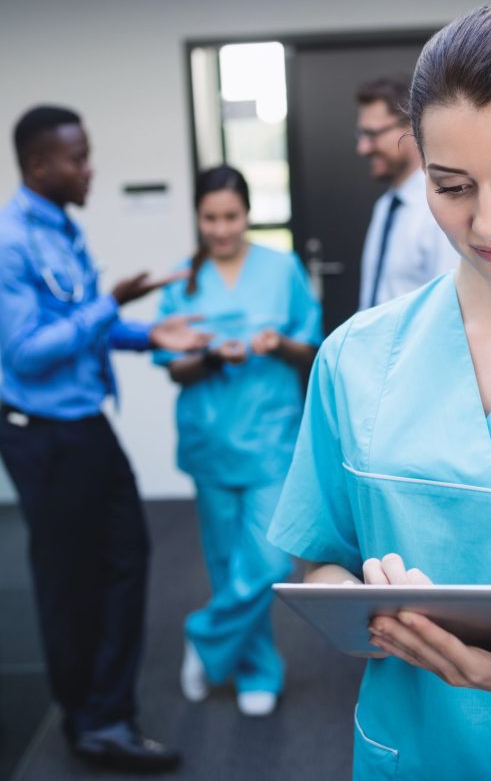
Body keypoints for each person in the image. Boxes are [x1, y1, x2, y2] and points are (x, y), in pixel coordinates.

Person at [269, 6, 491, 780]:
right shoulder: (356, 359)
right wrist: (368, 605)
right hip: (409, 752)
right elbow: (317, 558)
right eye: (452, 186)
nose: (488, 222)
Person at [0, 105, 212, 773]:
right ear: (40, 165)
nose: (89, 168)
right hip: (47, 435)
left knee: (120, 560)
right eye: (79, 157)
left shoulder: (61, 226)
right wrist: (111, 303)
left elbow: (81, 328)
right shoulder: (11, 241)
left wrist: (152, 333)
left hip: (80, 426)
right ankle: (94, 723)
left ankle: (104, 708)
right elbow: (29, 352)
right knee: (73, 579)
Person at [154, 165, 322, 717]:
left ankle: (203, 635)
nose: (222, 229)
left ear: (247, 214)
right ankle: (256, 669)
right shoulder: (182, 280)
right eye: (210, 218)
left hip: (271, 440)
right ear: (198, 217)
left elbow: (311, 348)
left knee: (271, 562)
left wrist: (277, 344)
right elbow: (173, 367)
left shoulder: (281, 269)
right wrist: (207, 356)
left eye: (231, 216)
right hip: (210, 440)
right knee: (228, 565)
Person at [356, 75, 457, 309]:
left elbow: (448, 305)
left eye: (372, 134)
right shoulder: (386, 205)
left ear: (411, 129)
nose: (362, 148)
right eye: (361, 135)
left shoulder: (440, 207)